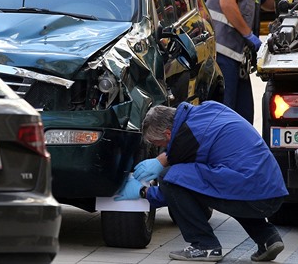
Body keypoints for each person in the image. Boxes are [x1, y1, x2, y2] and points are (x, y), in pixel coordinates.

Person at [115, 101, 288, 262]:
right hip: (270, 189)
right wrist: (162, 160)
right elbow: (194, 148)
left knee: (170, 178)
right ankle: (268, 238)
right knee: (224, 186)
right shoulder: (206, 110)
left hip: (255, 192)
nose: (159, 147)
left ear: (168, 133)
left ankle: (204, 245)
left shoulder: (187, 138)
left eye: (157, 143)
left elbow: (171, 192)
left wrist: (142, 192)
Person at [206, 0, 267, 124]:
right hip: (224, 55)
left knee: (243, 115)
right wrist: (249, 35)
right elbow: (226, 2)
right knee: (228, 117)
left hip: (235, 58)